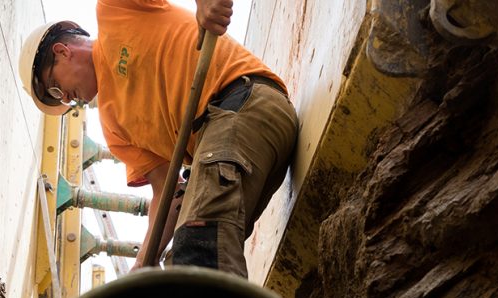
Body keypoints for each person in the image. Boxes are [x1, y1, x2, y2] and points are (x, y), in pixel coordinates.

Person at [16, 0, 298, 279]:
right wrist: (144, 262)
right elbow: (167, 191)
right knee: (189, 259)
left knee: (197, 244)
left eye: (55, 89)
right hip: (232, 150)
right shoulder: (115, 130)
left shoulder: (115, 11)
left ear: (62, 51)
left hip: (245, 103)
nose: (65, 100)